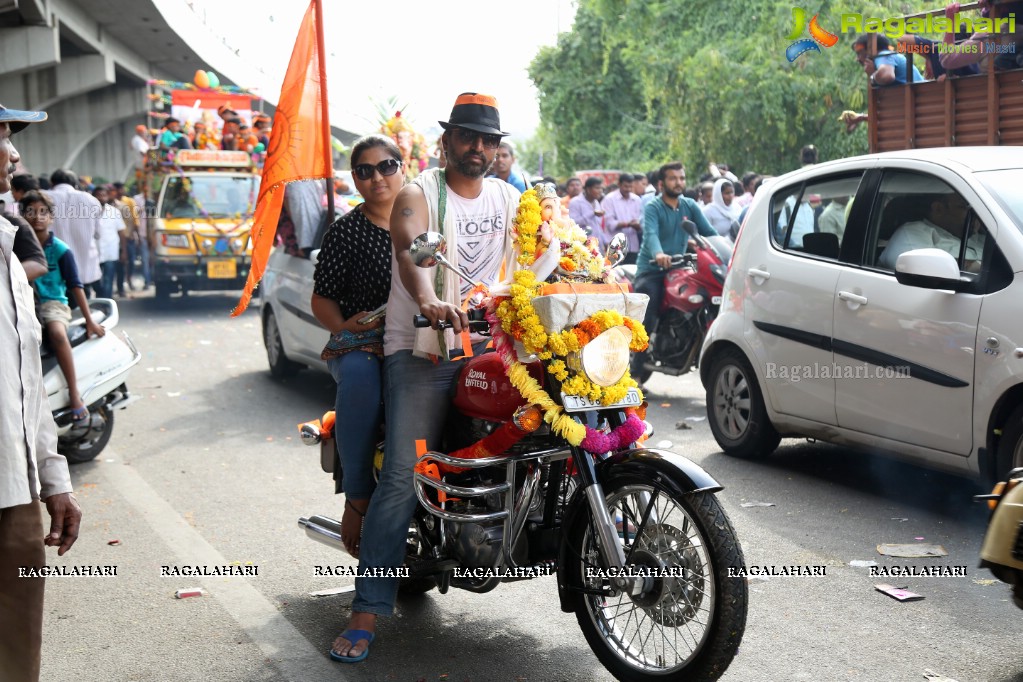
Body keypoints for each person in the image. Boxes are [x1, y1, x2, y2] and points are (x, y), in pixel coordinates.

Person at [330, 92, 521, 664]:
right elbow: (412, 250)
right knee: (407, 471)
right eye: (468, 137)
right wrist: (430, 300)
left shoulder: (512, 199)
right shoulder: (418, 193)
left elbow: (540, 255)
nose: (479, 149)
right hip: (423, 346)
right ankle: (366, 608)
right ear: (447, 141)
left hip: (493, 347)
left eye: (489, 140)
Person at [0, 103, 82, 682]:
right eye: (0, 137)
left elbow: (27, 383)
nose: (13, 154)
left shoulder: (11, 246)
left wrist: (53, 480)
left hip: (15, 488)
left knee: (15, 646)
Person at [310, 134, 405, 559]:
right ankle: (358, 498)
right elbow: (322, 297)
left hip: (422, 335)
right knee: (360, 377)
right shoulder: (345, 232)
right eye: (365, 170)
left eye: (386, 166)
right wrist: (343, 326)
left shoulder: (428, 220)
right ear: (355, 179)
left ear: (403, 167)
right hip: (364, 341)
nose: (377, 177)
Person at [21, 189, 106, 422]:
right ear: (22, 215)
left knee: (58, 334)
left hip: (52, 304)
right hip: (24, 302)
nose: (37, 217)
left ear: (51, 217)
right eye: (31, 212)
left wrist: (89, 321)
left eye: (42, 212)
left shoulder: (60, 249)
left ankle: (75, 393)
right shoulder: (18, 246)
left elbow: (75, 285)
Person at [631, 162, 717, 382]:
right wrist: (659, 254)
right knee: (647, 320)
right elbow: (651, 234)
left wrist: (727, 248)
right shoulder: (653, 207)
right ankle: (636, 373)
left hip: (680, 269)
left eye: (682, 178)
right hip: (652, 270)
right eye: (673, 178)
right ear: (661, 183)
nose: (678, 182)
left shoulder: (689, 205)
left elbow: (710, 233)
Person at [878, 192, 982, 270]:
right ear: (938, 209)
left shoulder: (979, 236)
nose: (974, 214)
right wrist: (982, 268)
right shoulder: (913, 232)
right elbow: (920, 268)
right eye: (965, 207)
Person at [47, 169, 102, 299]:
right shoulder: (91, 200)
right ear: (75, 183)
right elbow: (98, 234)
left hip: (53, 273)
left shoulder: (43, 197)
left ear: (52, 182)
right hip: (84, 271)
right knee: (82, 312)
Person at [602, 172, 644, 263]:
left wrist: (638, 225)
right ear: (619, 184)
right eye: (625, 186)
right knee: (615, 275)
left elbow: (641, 219)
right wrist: (628, 224)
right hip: (616, 247)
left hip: (633, 245)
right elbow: (609, 223)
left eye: (630, 186)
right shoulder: (609, 199)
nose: (628, 189)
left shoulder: (636, 199)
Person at [92, 185, 126, 299]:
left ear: (107, 197)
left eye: (104, 195)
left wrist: (124, 251)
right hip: (93, 252)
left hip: (110, 252)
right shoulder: (86, 212)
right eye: (98, 195)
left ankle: (106, 304)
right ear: (93, 197)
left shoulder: (114, 212)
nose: (101, 198)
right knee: (95, 281)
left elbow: (121, 232)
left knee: (108, 280)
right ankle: (100, 297)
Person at [852, 33, 924, 86]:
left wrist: (872, 75)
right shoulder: (890, 56)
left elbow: (887, 76)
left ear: (870, 49)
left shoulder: (883, 55)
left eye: (859, 53)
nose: (858, 59)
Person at [568, 176, 607, 249]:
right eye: (597, 188)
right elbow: (573, 222)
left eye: (601, 188)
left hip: (597, 246)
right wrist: (592, 214)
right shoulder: (575, 202)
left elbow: (598, 226)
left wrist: (605, 241)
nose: (600, 191)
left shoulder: (596, 202)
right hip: (582, 246)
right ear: (588, 189)